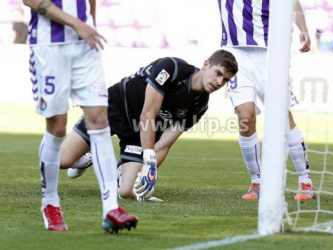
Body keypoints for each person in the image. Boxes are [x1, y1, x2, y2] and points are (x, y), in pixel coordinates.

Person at [59, 50, 238, 201]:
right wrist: (149, 157)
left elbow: (165, 143)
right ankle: (85, 159)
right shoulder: (171, 68)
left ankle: (122, 169)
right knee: (61, 161)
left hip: (139, 133)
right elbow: (148, 114)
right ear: (206, 64)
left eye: (226, 80)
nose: (219, 82)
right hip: (114, 107)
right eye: (218, 73)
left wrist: (149, 171)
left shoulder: (200, 105)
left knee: (127, 192)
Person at [23, 0, 137, 233]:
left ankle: (111, 209)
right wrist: (77, 23)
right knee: (57, 128)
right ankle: (51, 203)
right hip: (49, 46)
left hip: (85, 46)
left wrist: (89, 24)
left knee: (100, 121)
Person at [218, 0, 315, 201]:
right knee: (245, 117)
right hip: (234, 53)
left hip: (269, 53)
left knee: (282, 118)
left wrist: (303, 29)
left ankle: (305, 181)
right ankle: (257, 182)